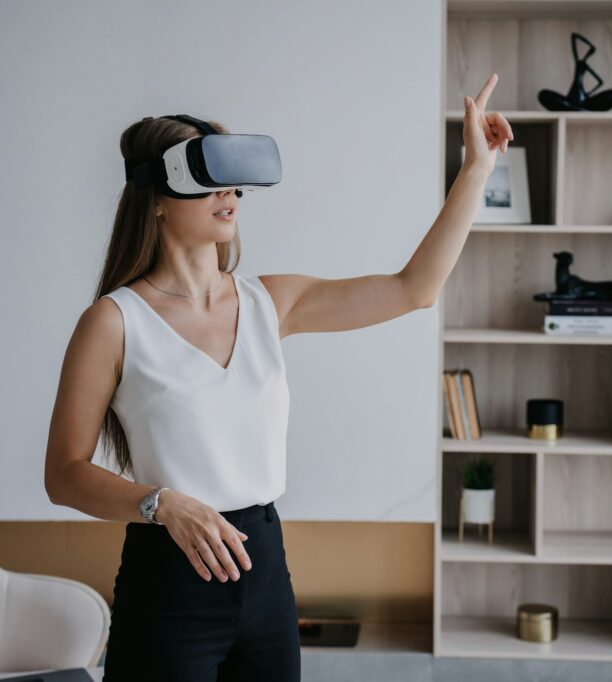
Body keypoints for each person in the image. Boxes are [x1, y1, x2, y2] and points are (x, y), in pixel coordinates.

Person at [43, 73, 512, 681]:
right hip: (170, 579)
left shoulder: (272, 302)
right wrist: (160, 505)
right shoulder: (113, 323)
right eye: (207, 179)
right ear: (157, 197)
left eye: (233, 180)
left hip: (264, 572)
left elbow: (413, 290)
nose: (229, 194)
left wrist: (476, 170)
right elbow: (64, 474)